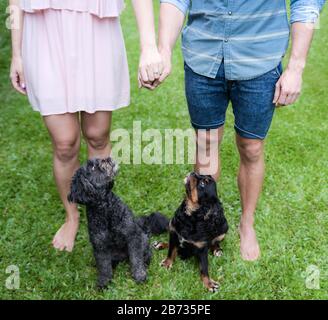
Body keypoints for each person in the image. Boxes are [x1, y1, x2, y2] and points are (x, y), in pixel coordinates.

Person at [138, 0, 326, 261]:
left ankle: (246, 224)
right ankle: (202, 226)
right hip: (202, 58)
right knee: (206, 143)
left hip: (260, 60)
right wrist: (164, 50)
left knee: (251, 147)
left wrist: (296, 67)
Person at [9, 0, 163, 252]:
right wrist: (16, 52)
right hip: (44, 28)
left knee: (98, 136)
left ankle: (100, 214)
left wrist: (149, 47)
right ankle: (72, 217)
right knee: (64, 142)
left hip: (96, 26)